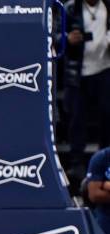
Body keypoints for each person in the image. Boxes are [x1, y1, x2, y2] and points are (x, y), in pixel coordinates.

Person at [64, 0, 110, 174]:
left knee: (107, 118)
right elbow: (52, 35)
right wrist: (66, 38)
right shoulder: (70, 8)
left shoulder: (108, 6)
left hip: (104, 69)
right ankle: (76, 164)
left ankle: (106, 161)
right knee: (77, 120)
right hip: (78, 73)